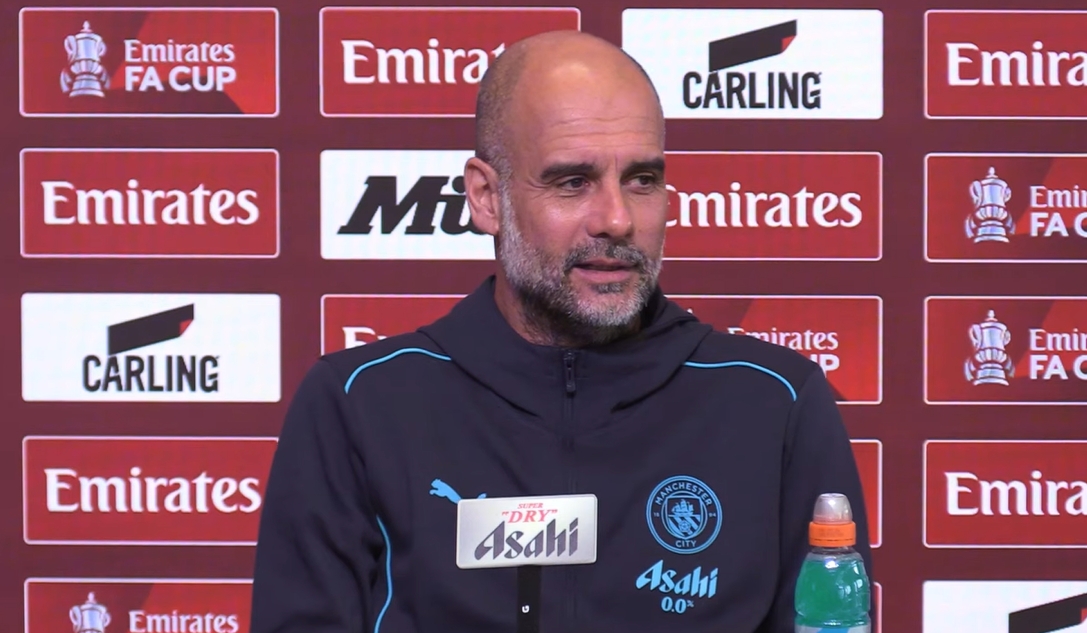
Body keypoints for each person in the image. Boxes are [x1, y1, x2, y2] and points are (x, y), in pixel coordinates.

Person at [250, 29, 872, 633]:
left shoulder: (775, 403)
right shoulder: (359, 404)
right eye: (573, 182)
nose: (616, 219)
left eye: (642, 180)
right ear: (486, 198)